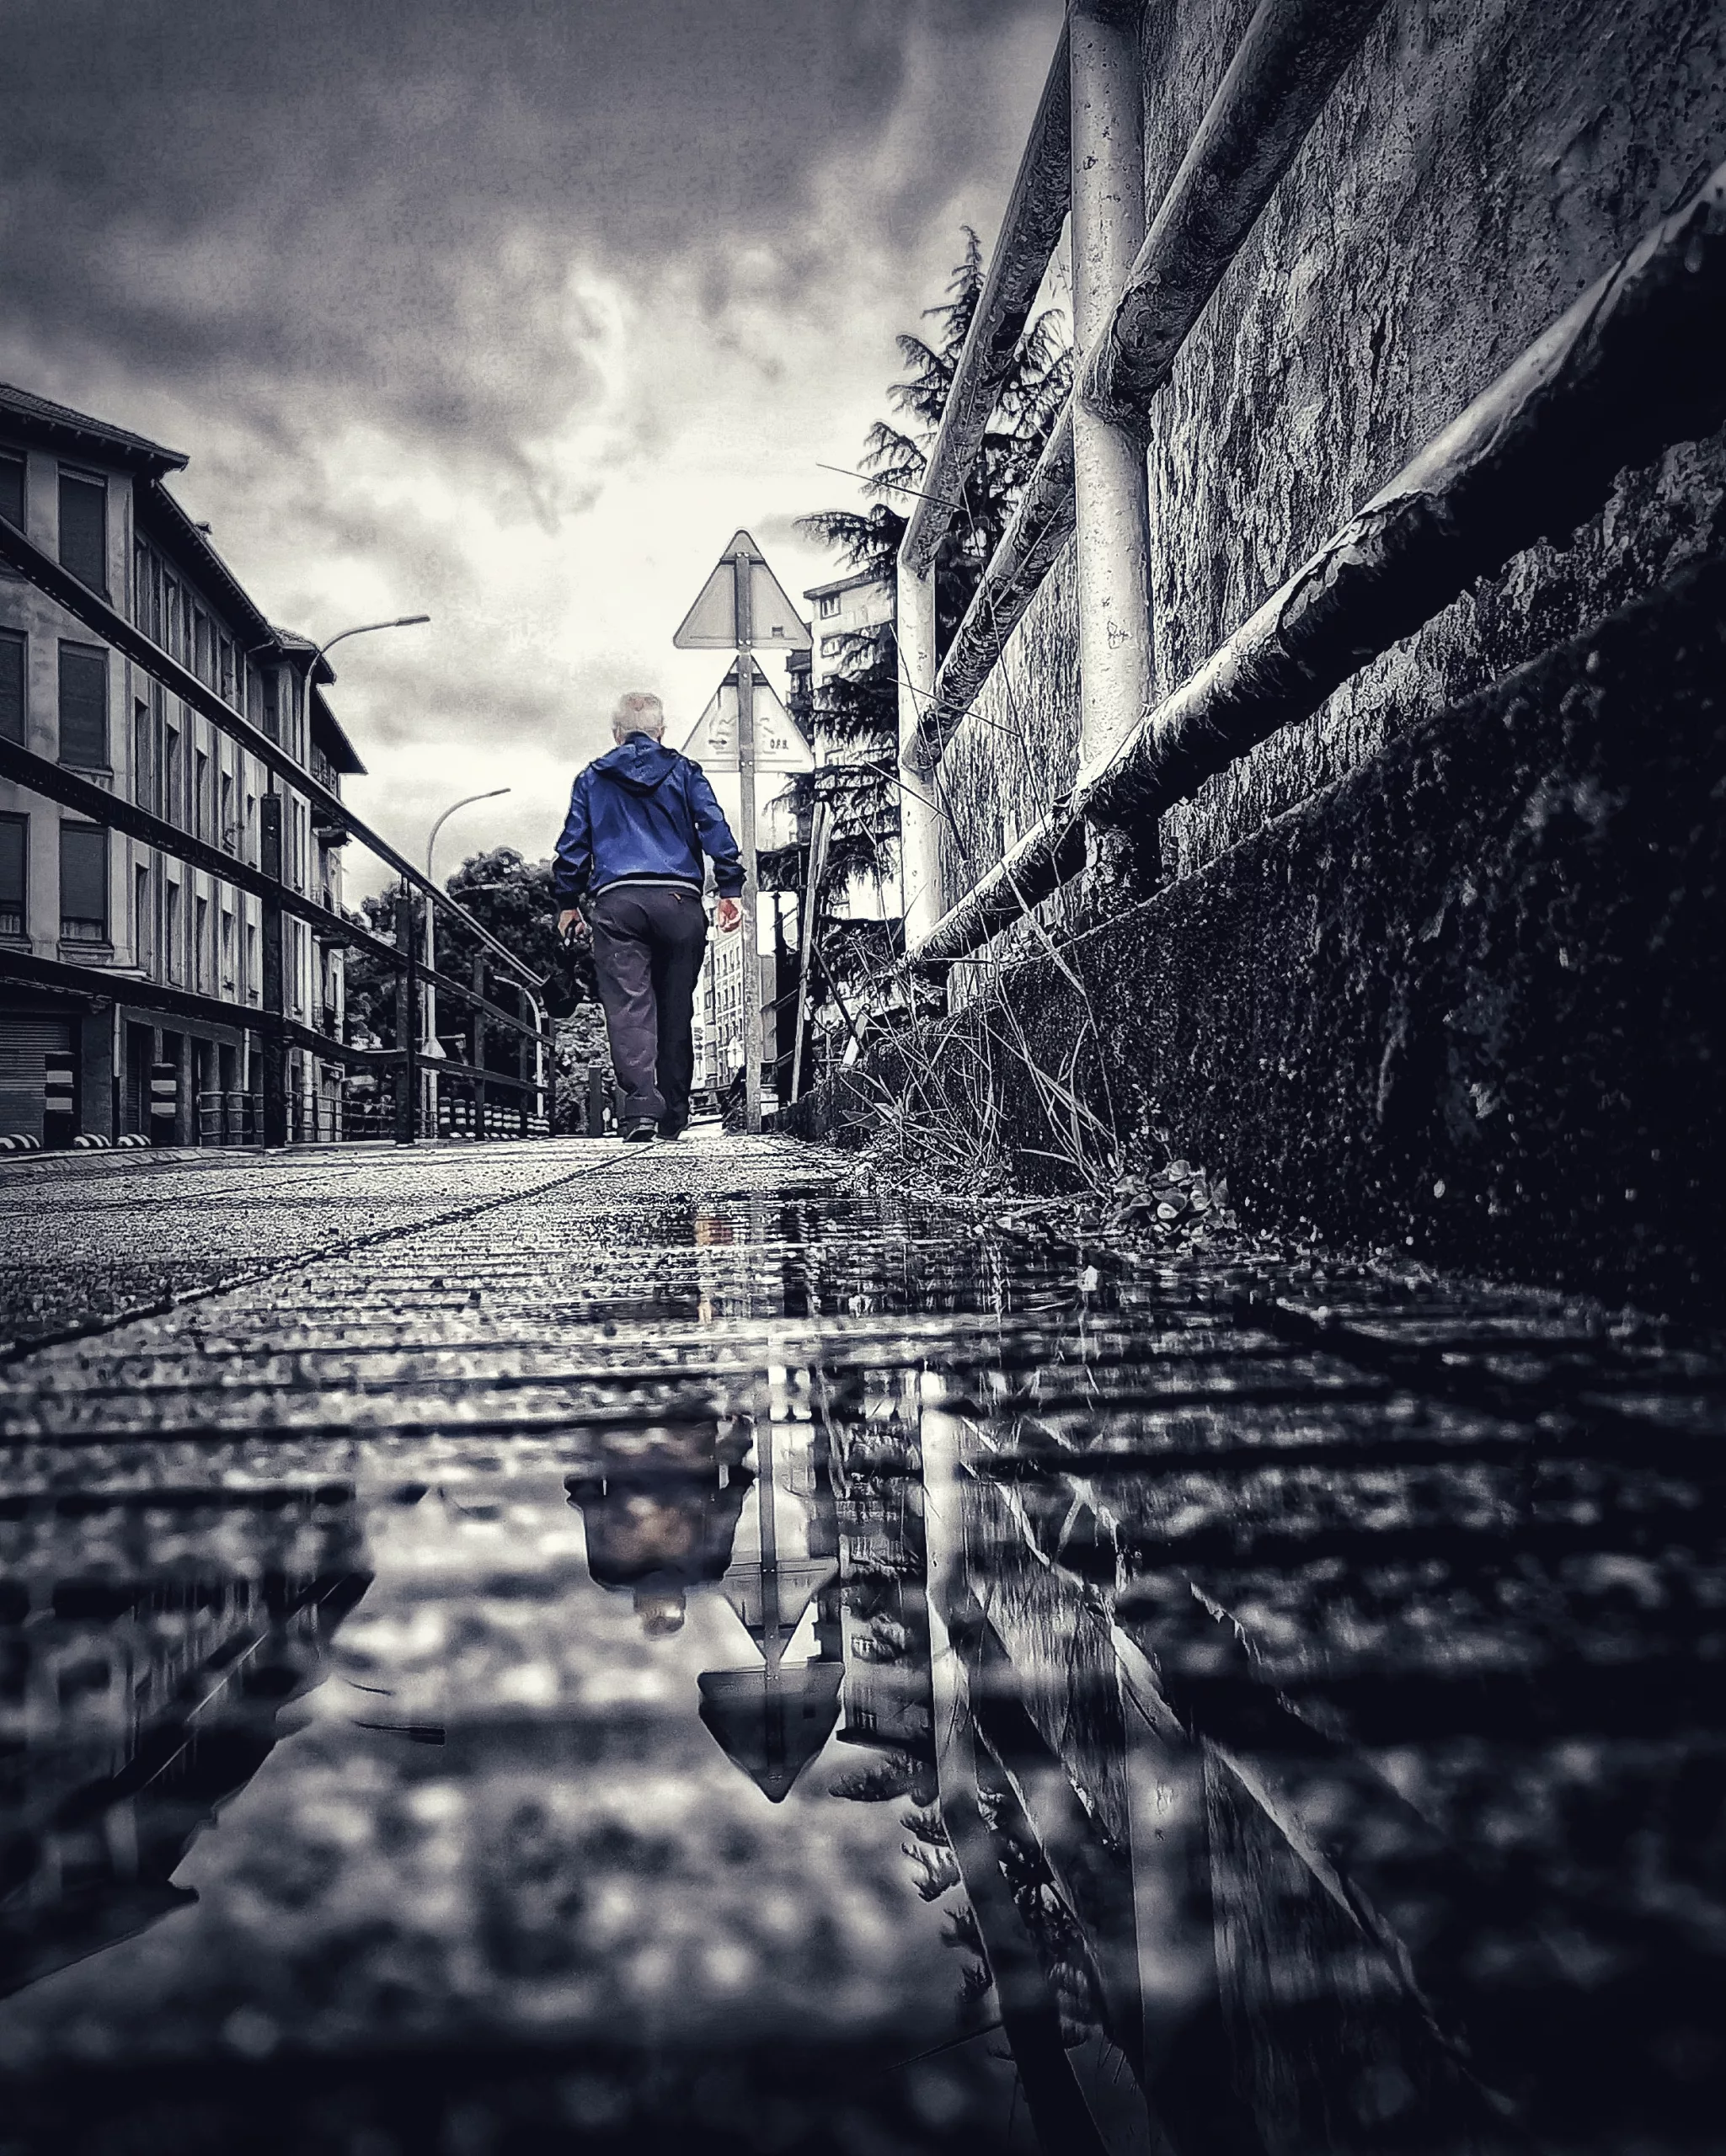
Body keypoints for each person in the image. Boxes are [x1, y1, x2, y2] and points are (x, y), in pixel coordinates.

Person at [554, 691, 744, 1141]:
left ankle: (641, 1110)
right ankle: (674, 1115)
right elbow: (714, 825)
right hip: (679, 904)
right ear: (661, 732)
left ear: (616, 733)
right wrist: (729, 888)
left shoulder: (592, 779)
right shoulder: (684, 771)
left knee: (628, 1008)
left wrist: (566, 901)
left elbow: (573, 843)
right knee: (676, 1009)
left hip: (618, 904)